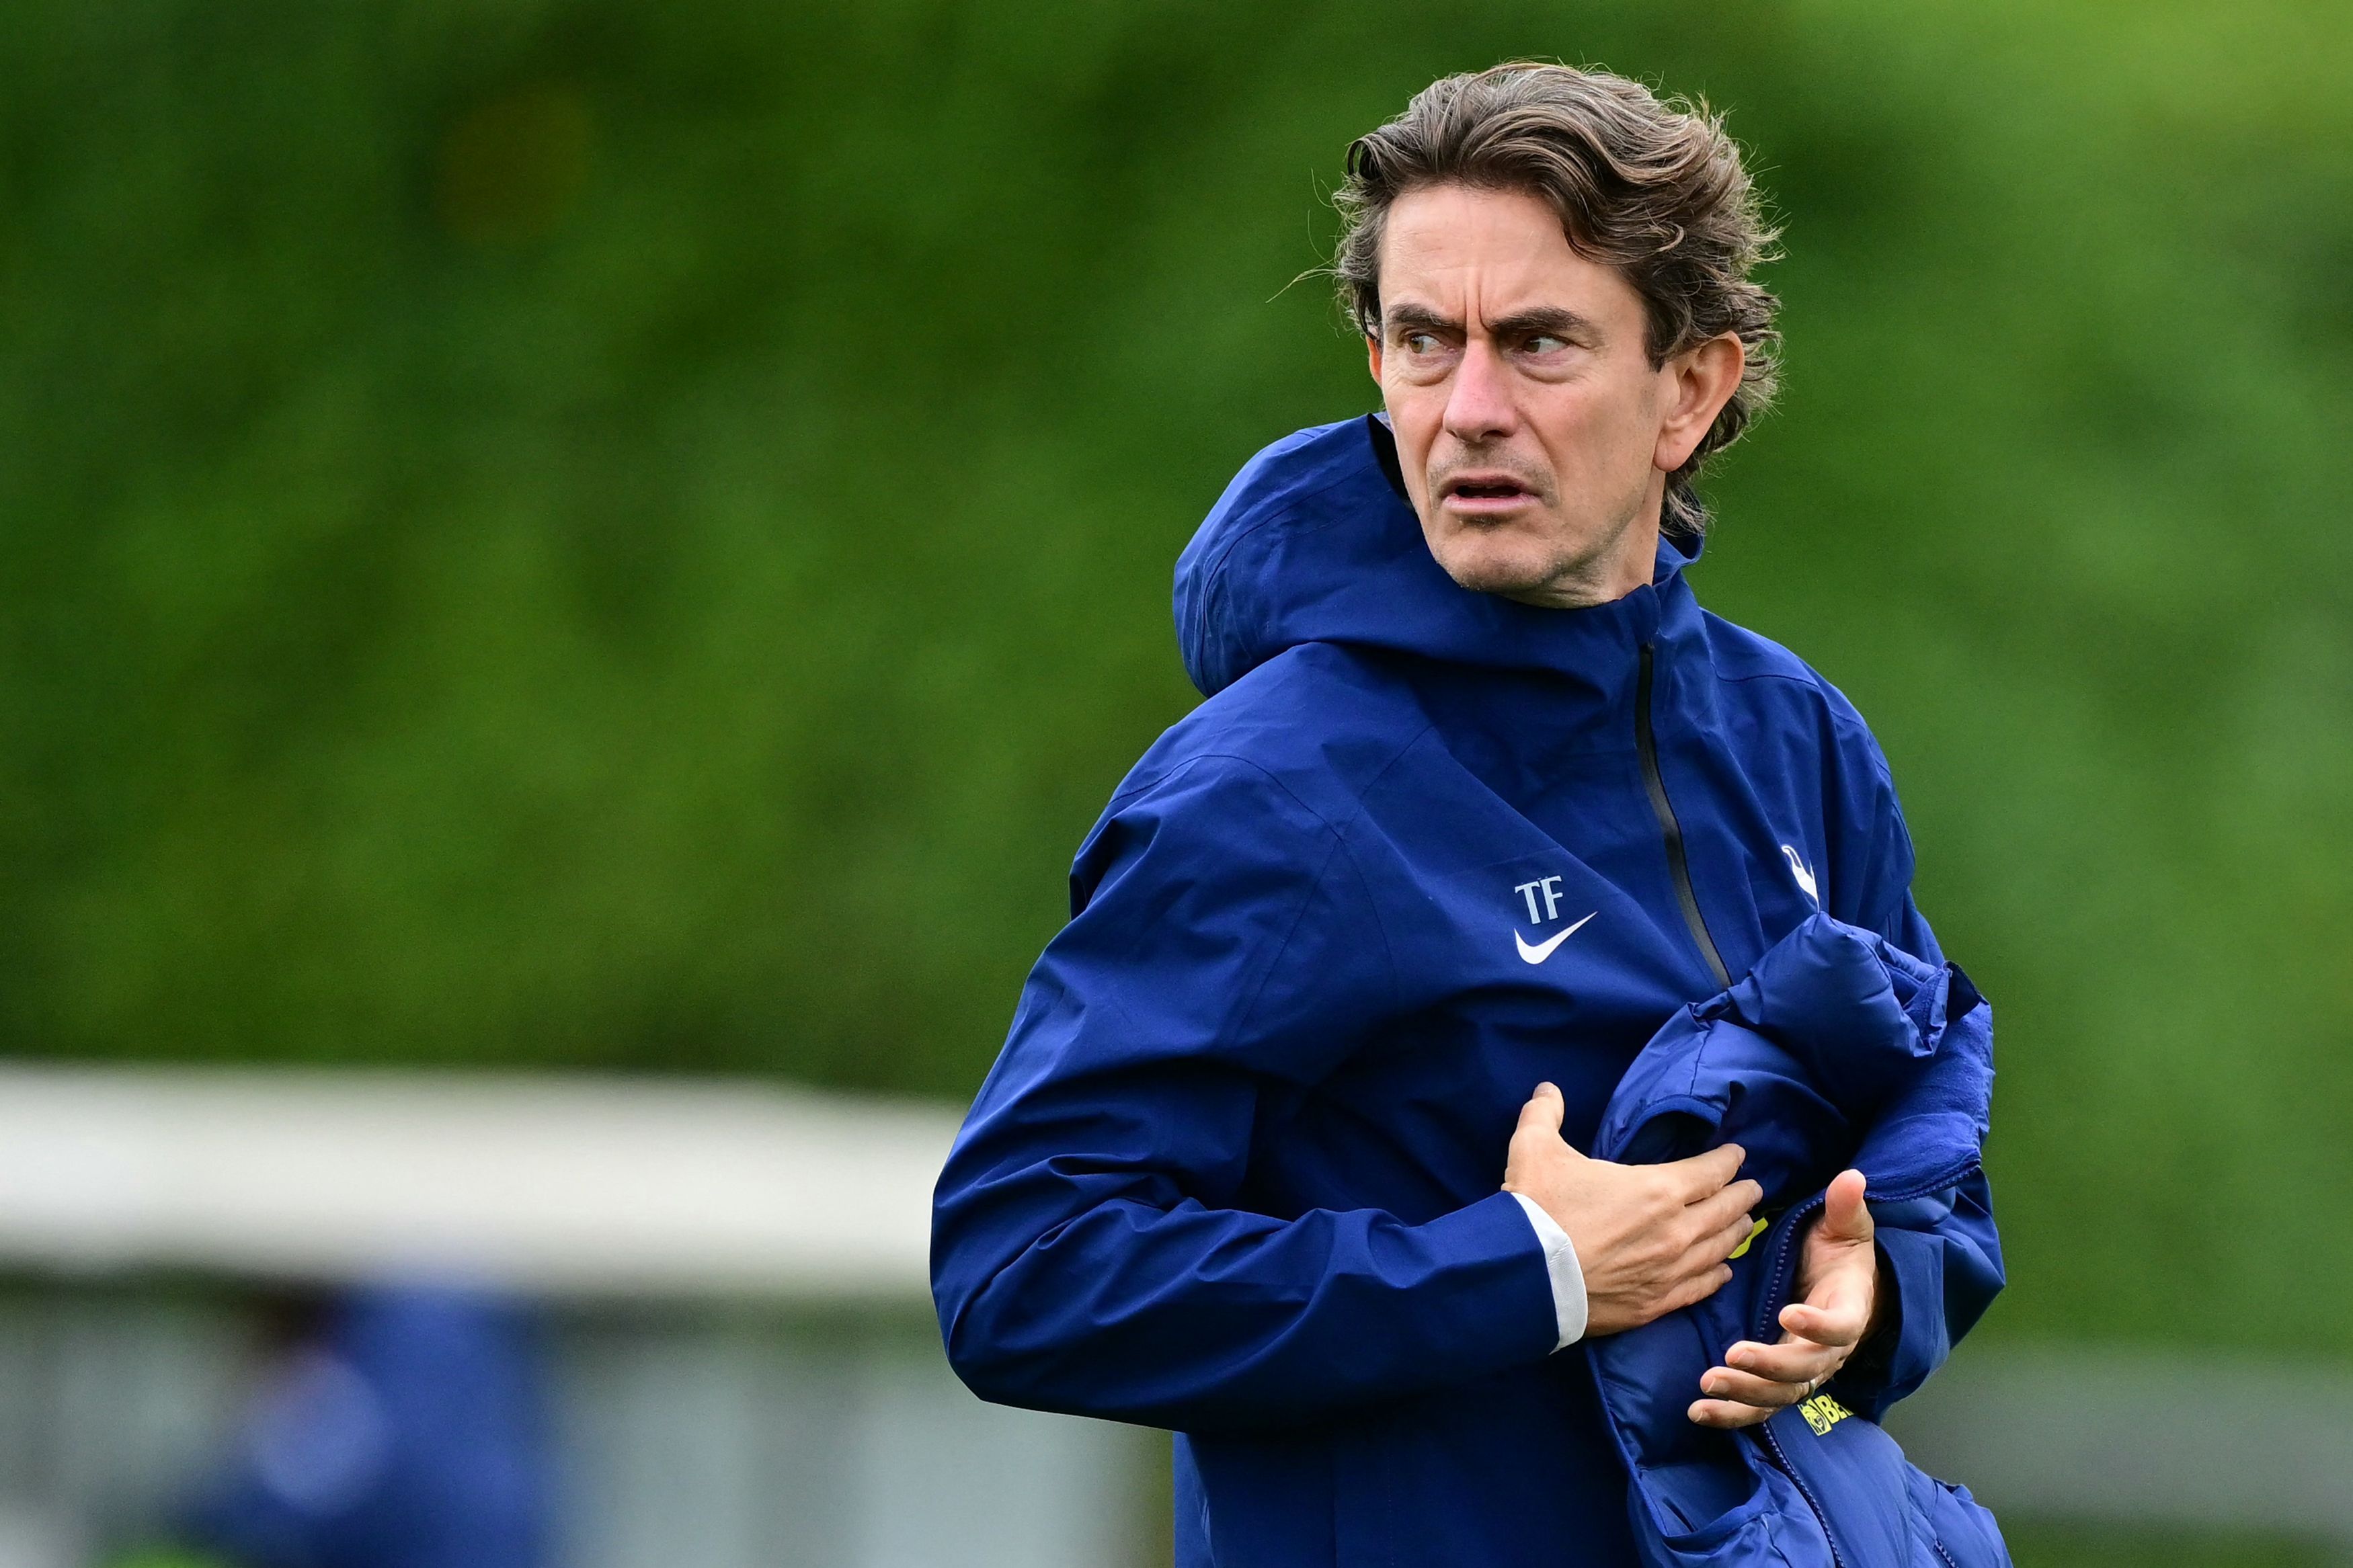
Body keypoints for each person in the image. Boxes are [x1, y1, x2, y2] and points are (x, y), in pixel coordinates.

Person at [931, 62, 2001, 1567]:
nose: (1469, 411)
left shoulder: (1799, 740)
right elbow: (1023, 1269)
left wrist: (1874, 1286)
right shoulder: (1271, 788)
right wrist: (1530, 1269)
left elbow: (1932, 1141)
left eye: (1540, 343)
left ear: (1690, 389)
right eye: (1425, 342)